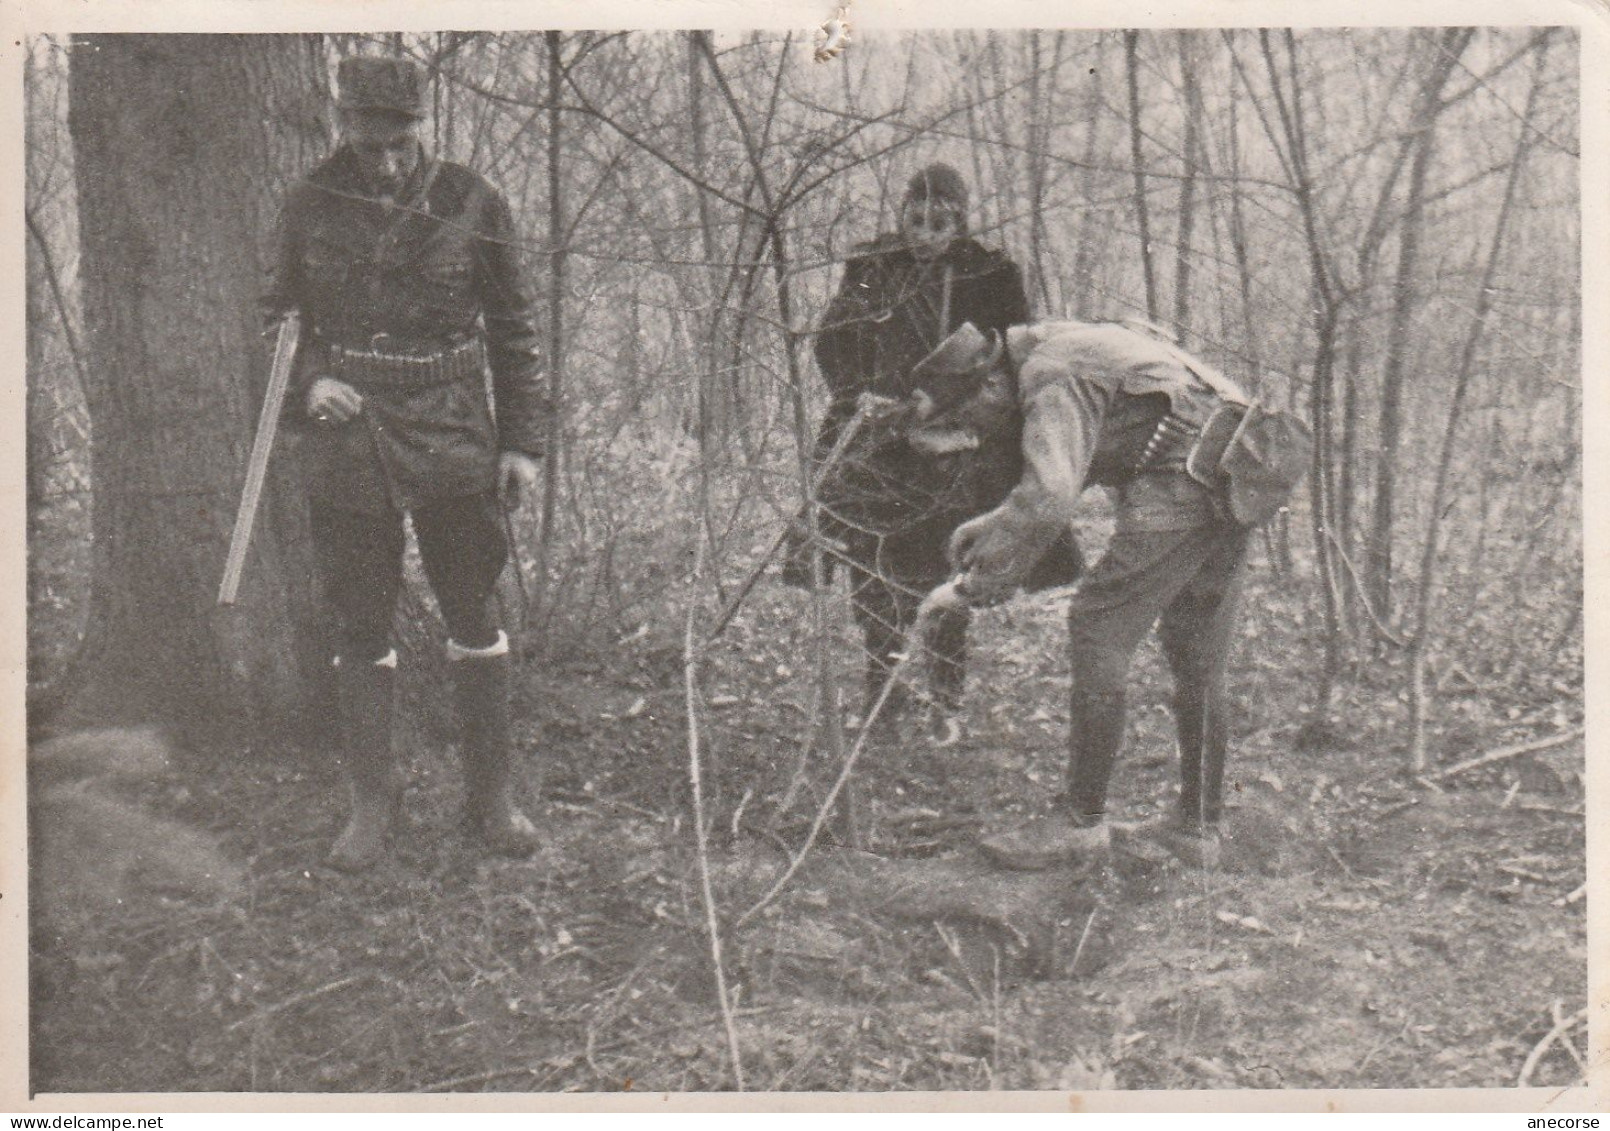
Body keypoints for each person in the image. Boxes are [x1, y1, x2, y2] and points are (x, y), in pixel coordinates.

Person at [262, 57, 547, 871]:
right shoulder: (310, 203)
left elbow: (514, 325)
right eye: (369, 141)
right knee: (360, 618)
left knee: (473, 609)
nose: (385, 161)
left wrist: (522, 442)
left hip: (456, 429)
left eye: (399, 142)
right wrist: (312, 378)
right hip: (350, 442)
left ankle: (490, 798)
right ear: (344, 126)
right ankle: (370, 806)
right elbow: (274, 314)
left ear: (420, 128)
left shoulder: (472, 200)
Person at [906, 319, 1308, 869]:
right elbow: (1083, 461)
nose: (976, 433)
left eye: (969, 418)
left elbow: (1051, 493)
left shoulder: (1050, 373)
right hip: (1235, 471)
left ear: (992, 387)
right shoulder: (1070, 345)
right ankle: (1198, 827)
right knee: (1197, 656)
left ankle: (1081, 824)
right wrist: (998, 524)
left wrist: (972, 589)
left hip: (1184, 479)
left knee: (1099, 626)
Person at [800, 163, 1035, 738]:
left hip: (958, 445)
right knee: (871, 565)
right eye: (916, 219)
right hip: (878, 440)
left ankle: (945, 700)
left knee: (949, 567)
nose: (925, 234)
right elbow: (833, 343)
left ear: (960, 221)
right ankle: (882, 692)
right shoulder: (873, 266)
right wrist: (867, 393)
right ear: (901, 215)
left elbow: (1013, 354)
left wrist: (950, 402)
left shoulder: (991, 273)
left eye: (940, 222)